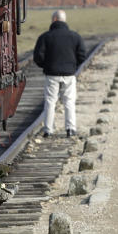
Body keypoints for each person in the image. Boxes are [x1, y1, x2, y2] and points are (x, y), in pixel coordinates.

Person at [33, 9, 86, 138]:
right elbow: (82, 55)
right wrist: (72, 66)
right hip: (69, 74)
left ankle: (48, 130)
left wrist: (46, 66)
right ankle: (70, 129)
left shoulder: (45, 37)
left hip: (52, 74)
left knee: (50, 101)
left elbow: (38, 57)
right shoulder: (75, 36)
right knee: (69, 101)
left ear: (54, 20)